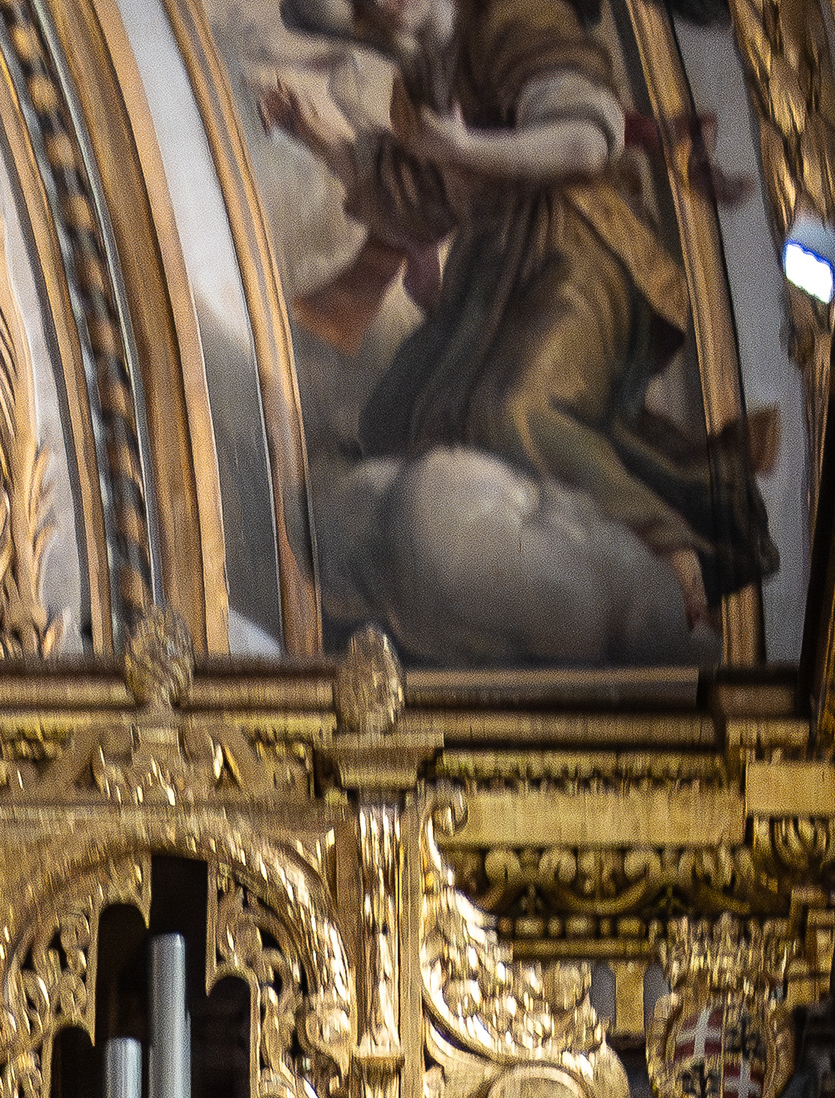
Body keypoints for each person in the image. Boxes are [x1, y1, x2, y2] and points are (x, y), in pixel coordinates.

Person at [265, 0, 779, 634]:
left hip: (583, 247)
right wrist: (313, 131)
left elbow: (586, 141)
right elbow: (418, 204)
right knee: (392, 418)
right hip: (493, 270)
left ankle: (673, 548)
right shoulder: (420, 82)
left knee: (516, 412)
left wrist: (467, 145)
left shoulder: (509, 16)